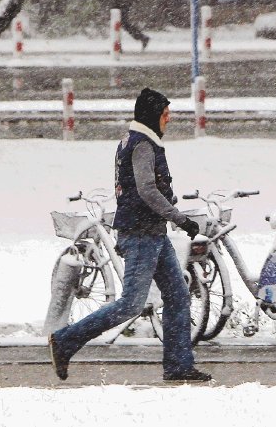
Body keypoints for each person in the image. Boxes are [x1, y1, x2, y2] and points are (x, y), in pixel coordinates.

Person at [49, 88, 212, 383]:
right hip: (140, 233)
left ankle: (178, 365)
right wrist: (179, 218)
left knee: (177, 296)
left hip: (152, 233)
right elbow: (146, 190)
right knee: (131, 305)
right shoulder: (142, 145)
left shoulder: (135, 141)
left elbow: (147, 189)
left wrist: (168, 207)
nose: (169, 119)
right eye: (165, 114)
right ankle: (64, 342)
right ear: (152, 116)